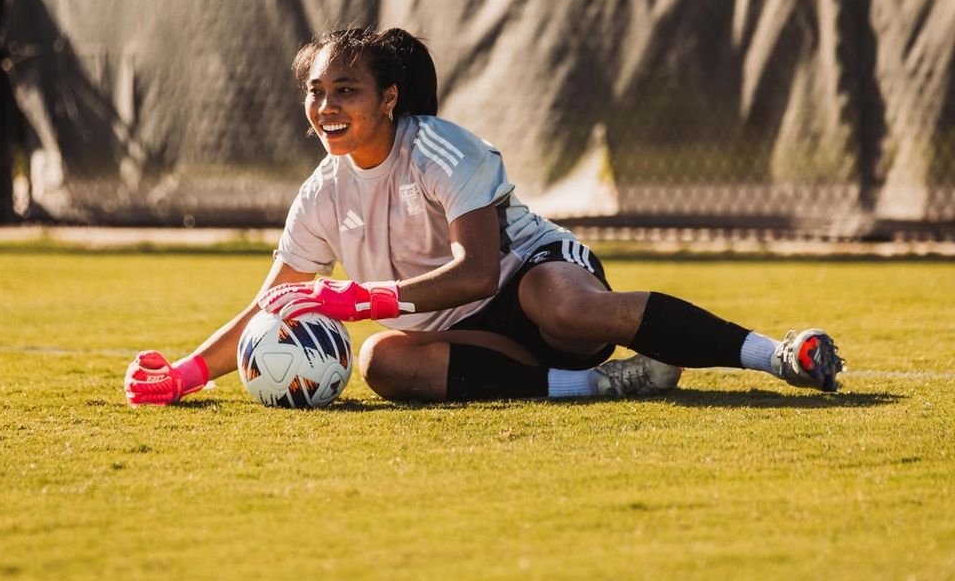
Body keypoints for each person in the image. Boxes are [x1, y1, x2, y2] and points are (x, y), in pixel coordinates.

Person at [124, 27, 846, 406]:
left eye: (346, 90)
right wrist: (184, 374)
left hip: (532, 279)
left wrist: (362, 299)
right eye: (316, 92)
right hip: (476, 342)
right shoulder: (320, 193)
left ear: (388, 98)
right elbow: (270, 303)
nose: (326, 106)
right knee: (382, 361)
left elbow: (476, 271)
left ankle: (778, 355)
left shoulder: (442, 148)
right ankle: (599, 386)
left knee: (559, 305)